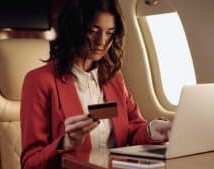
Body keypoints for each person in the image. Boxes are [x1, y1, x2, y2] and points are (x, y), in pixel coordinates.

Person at [20, 0, 171, 168]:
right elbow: (30, 163)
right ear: (74, 29)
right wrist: (66, 142)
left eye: (109, 33)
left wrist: (152, 130)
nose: (101, 41)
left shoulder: (114, 78)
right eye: (93, 31)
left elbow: (132, 129)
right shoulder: (40, 81)